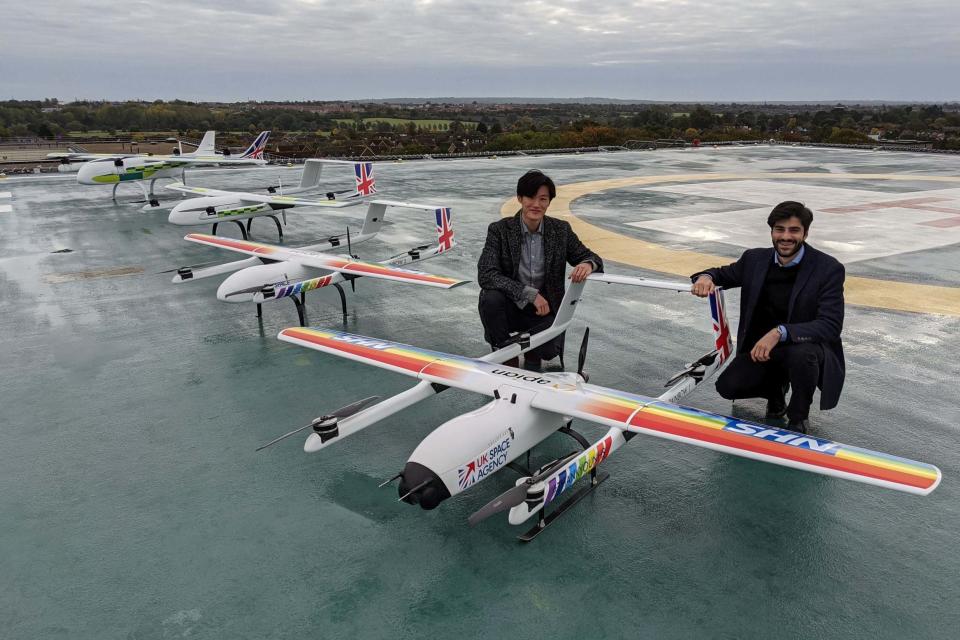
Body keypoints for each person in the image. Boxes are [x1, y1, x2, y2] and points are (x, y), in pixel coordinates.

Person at [690, 201, 845, 433]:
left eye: (794, 230)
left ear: (805, 233)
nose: (786, 236)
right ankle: (776, 390)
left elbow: (830, 325)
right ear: (771, 231)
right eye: (779, 229)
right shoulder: (754, 260)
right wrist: (705, 277)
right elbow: (723, 274)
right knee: (727, 387)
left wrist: (780, 332)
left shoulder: (828, 268)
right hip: (761, 350)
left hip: (802, 348)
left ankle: (798, 416)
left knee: (802, 355)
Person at [478, 170, 603, 371]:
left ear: (549, 202)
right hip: (512, 306)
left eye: (542, 198)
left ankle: (533, 351)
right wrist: (529, 294)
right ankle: (504, 353)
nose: (536, 204)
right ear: (520, 198)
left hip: (544, 310)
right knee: (490, 298)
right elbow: (486, 273)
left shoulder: (560, 230)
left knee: (547, 352)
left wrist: (587, 264)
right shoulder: (499, 230)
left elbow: (593, 258)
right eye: (530, 197)